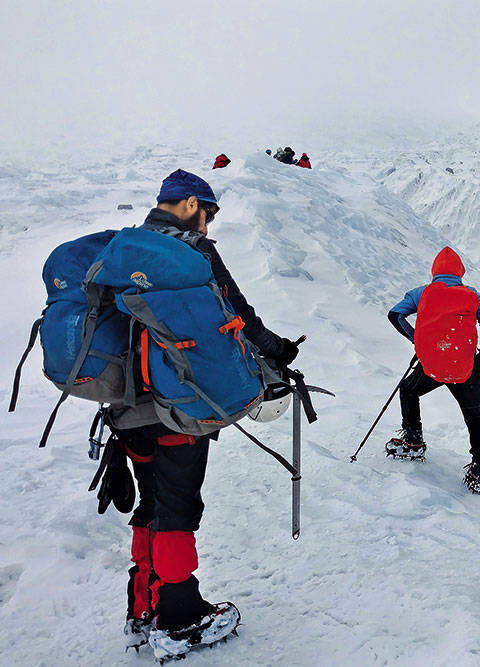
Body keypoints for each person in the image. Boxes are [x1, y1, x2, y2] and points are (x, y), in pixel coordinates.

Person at [108, 170, 301, 656]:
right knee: (177, 510)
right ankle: (179, 615)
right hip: (179, 409)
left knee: (150, 502)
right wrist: (279, 352)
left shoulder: (120, 249)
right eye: (208, 212)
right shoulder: (194, 250)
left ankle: (142, 606)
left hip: (124, 409)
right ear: (190, 202)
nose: (210, 223)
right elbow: (240, 314)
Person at [387, 247, 480, 493]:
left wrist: (418, 340)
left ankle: (413, 440)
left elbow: (395, 315)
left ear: (435, 271)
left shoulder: (422, 293)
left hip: (432, 365)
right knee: (473, 414)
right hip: (465, 368)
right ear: (460, 271)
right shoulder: (472, 295)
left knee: (408, 391)